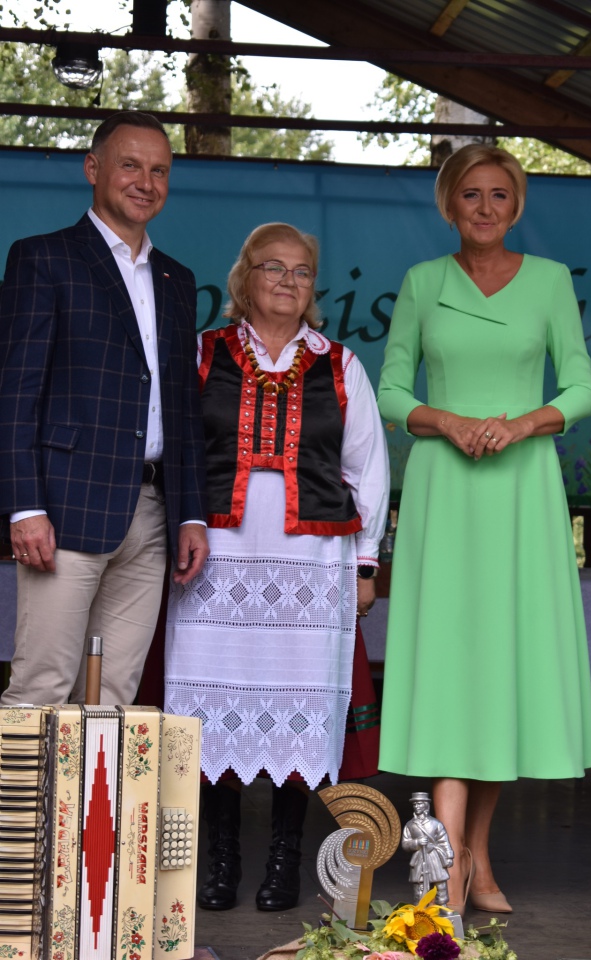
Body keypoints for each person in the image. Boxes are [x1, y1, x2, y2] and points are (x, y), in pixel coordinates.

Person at [377, 144, 591, 916]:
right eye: (469, 194)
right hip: (444, 490)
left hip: (520, 489)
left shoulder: (548, 282)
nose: (484, 207)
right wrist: (447, 421)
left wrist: (524, 424)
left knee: (500, 662)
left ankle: (473, 852)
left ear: (517, 205)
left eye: (499, 194)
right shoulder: (421, 282)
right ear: (448, 205)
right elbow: (390, 389)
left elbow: (580, 387)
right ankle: (448, 866)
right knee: (450, 663)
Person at [165, 222, 389, 912]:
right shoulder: (202, 353)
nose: (288, 281)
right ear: (244, 278)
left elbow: (369, 468)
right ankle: (221, 859)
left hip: (310, 564)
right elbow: (174, 448)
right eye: (273, 267)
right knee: (212, 707)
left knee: (301, 708)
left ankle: (285, 861)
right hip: (215, 560)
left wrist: (365, 563)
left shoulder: (339, 364)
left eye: (301, 271)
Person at [0, 111, 208, 707]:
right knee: (41, 689)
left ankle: (90, 784)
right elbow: (14, 393)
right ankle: (22, 781)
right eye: (130, 165)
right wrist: (25, 507)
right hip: (65, 506)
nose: (146, 182)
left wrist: (191, 514)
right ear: (93, 169)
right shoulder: (43, 259)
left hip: (152, 513)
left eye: (159, 171)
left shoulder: (177, 280)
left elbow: (183, 408)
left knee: (112, 700)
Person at [402, 792, 454, 906]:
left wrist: (449, 856)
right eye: (415, 804)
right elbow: (405, 844)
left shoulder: (436, 823)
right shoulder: (409, 825)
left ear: (426, 805)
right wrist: (417, 842)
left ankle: (442, 906)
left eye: (420, 803)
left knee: (440, 883)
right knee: (419, 885)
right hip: (419, 858)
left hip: (434, 856)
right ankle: (420, 908)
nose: (417, 806)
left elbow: (443, 841)